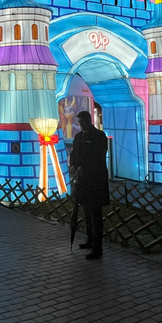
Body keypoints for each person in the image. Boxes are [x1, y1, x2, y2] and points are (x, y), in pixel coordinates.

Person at [69, 110, 109, 260]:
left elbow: (99, 156)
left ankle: (97, 248)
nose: (80, 125)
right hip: (83, 182)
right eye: (79, 122)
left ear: (89, 120)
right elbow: (74, 153)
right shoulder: (79, 137)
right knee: (86, 211)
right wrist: (73, 165)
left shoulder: (99, 136)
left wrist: (84, 168)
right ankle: (90, 240)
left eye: (82, 122)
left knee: (95, 214)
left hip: (95, 181)